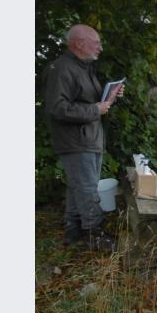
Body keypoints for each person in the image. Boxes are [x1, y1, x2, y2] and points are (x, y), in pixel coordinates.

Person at [44, 24, 123, 251]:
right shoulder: (62, 69)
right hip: (76, 140)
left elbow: (90, 101)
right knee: (87, 188)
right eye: (96, 42)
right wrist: (94, 110)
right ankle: (94, 233)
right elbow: (57, 108)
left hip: (88, 138)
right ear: (79, 43)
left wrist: (111, 97)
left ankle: (73, 230)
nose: (100, 47)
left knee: (76, 186)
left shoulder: (82, 67)